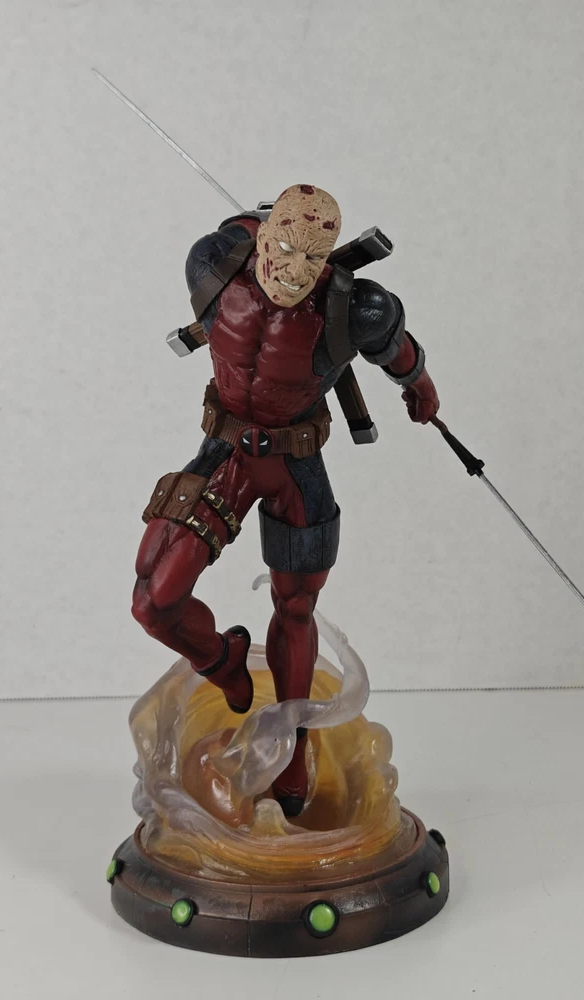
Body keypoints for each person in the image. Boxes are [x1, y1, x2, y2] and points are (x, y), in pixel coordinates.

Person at [132, 184, 439, 816]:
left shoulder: (358, 308)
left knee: (296, 608)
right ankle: (223, 661)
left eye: (313, 257)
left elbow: (399, 352)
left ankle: (292, 747)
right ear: (263, 236)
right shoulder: (213, 264)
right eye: (284, 249)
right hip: (225, 455)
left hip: (297, 466)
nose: (295, 271)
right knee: (153, 602)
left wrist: (421, 387)